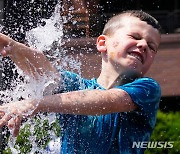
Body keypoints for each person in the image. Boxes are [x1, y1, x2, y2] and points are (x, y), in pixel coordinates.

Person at [0, 10, 162, 153]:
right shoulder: (77, 86)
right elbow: (45, 74)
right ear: (102, 43)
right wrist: (12, 47)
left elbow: (106, 101)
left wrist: (31, 105)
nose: (143, 45)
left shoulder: (147, 89)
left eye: (152, 46)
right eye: (135, 37)